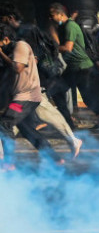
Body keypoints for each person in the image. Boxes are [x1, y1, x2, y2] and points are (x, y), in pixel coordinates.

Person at [0, 23, 62, 170]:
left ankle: (9, 163)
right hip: (21, 97)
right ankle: (56, 159)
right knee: (27, 130)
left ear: (6, 39)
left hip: (25, 98)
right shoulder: (13, 49)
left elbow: (17, 68)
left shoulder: (20, 46)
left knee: (5, 124)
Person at [49, 2, 99, 127]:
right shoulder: (63, 26)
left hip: (83, 68)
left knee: (89, 98)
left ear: (60, 14)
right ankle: (68, 123)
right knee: (56, 90)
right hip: (73, 69)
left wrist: (53, 49)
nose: (50, 18)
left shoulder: (70, 26)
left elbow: (68, 47)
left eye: (52, 15)